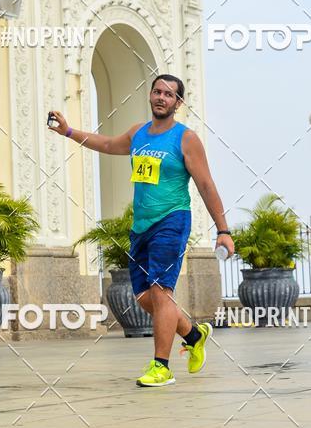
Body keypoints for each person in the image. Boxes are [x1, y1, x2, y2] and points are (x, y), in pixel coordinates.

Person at [48, 74, 234, 386]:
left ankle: (161, 366)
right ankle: (192, 333)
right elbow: (107, 144)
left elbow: (205, 184)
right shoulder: (138, 133)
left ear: (178, 103)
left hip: (172, 221)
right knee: (145, 299)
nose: (162, 97)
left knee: (162, 293)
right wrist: (68, 131)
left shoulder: (185, 139)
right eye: (158, 91)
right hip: (141, 226)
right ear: (150, 95)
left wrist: (223, 230)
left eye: (169, 94)